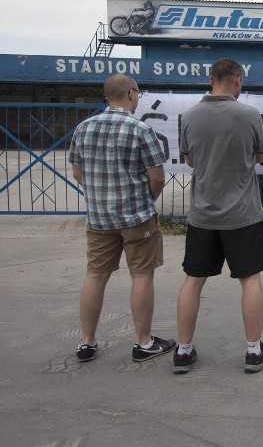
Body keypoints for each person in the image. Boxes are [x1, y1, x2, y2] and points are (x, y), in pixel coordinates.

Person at [174, 57, 263, 374]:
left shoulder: (189, 116)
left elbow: (190, 161)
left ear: (210, 80)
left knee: (193, 281)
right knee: (250, 280)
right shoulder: (248, 115)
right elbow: (260, 155)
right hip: (243, 215)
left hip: (203, 214)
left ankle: (183, 350)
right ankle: (253, 351)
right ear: (237, 80)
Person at [69, 74, 176, 363]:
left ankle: (87, 342)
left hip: (99, 219)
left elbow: (77, 172)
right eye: (138, 93)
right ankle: (143, 342)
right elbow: (157, 177)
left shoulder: (84, 128)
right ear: (131, 94)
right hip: (136, 217)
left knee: (95, 275)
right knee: (141, 274)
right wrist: (144, 201)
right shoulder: (140, 130)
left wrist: (99, 195)